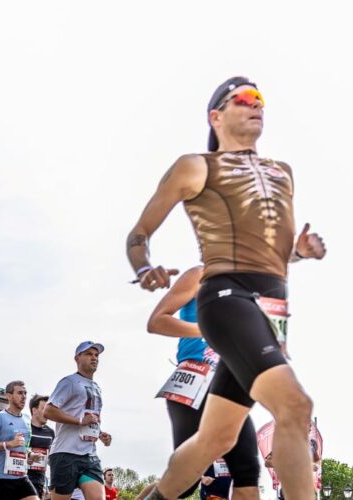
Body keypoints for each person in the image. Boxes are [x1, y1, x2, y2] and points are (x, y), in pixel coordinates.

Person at [126, 76, 326, 500]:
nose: (257, 105)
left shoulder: (281, 173)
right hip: (225, 297)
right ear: (216, 116)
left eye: (261, 99)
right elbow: (139, 232)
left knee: (215, 440)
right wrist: (145, 268)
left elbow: (271, 252)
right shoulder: (196, 165)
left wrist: (300, 253)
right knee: (295, 407)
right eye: (244, 99)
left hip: (272, 309)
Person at [148, 266, 261, 499]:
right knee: (185, 481)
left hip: (228, 385)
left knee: (247, 471)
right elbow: (157, 321)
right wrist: (205, 329)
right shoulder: (199, 276)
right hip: (195, 378)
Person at [44, 341, 112, 500]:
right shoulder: (69, 382)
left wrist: (100, 434)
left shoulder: (97, 387)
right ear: (77, 358)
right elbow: (49, 410)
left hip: (89, 455)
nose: (94, 358)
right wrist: (80, 421)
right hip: (66, 453)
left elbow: (90, 418)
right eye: (89, 354)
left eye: (96, 355)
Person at [0, 381, 39, 500]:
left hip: (21, 475)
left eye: (25, 393)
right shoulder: (0, 417)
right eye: (19, 393)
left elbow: (23, 447)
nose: (24, 397)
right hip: (1, 476)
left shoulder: (27, 419)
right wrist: (9, 444)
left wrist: (30, 455)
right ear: (8, 396)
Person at [27, 394, 55, 499]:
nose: (47, 413)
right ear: (34, 410)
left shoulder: (50, 432)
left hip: (40, 480)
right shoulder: (25, 428)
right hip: (22, 478)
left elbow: (53, 458)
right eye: (43, 409)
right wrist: (28, 456)